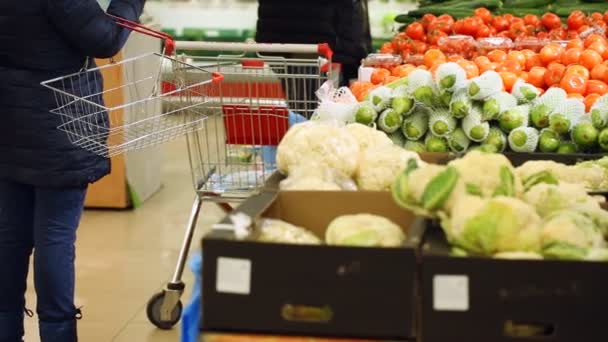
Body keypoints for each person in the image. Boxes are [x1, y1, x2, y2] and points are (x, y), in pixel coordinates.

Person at [0, 0, 145, 341]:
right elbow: (106, 40)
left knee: (10, 236)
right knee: (55, 235)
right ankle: (57, 331)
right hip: (61, 119)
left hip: (9, 117)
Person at [255, 0, 372, 86]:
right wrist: (355, 58)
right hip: (322, 47)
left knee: (302, 105)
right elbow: (348, 15)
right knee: (319, 108)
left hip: (281, 40)